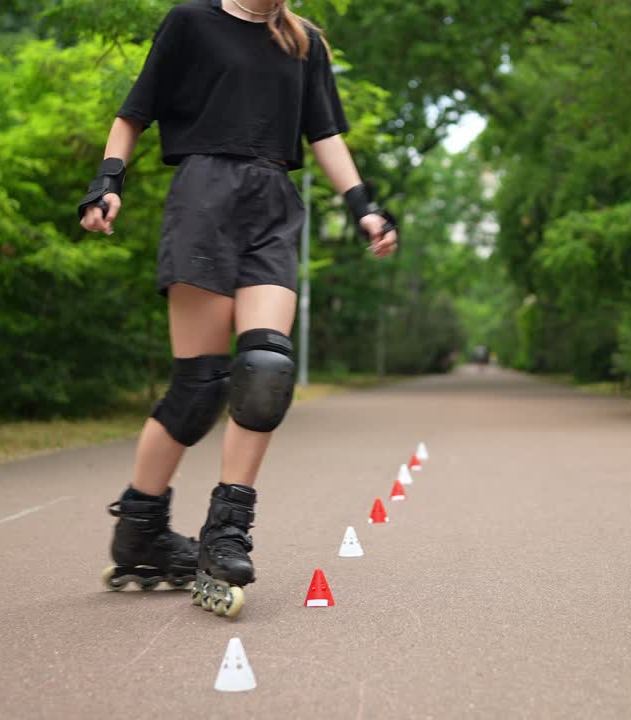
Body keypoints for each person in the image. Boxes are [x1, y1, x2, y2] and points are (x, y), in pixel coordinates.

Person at [78, 0, 398, 618]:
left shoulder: (303, 42)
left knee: (266, 371)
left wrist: (364, 206)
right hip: (203, 198)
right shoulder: (191, 23)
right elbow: (133, 112)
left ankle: (226, 532)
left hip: (272, 204)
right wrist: (107, 182)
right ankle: (141, 527)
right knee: (199, 387)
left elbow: (326, 134)